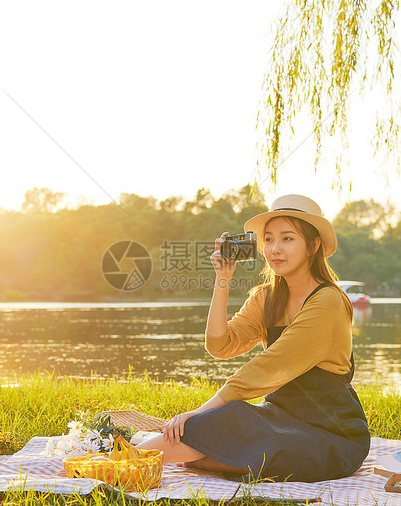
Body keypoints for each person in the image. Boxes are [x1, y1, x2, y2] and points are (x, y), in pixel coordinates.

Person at [136, 194, 370, 482]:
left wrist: (196, 414)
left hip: (332, 433)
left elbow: (269, 366)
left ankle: (127, 462)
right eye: (269, 239)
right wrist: (223, 279)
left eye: (287, 239)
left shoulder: (329, 301)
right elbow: (220, 345)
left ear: (313, 245)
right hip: (280, 418)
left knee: (219, 428)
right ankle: (127, 459)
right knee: (231, 419)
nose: (275, 249)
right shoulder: (267, 297)